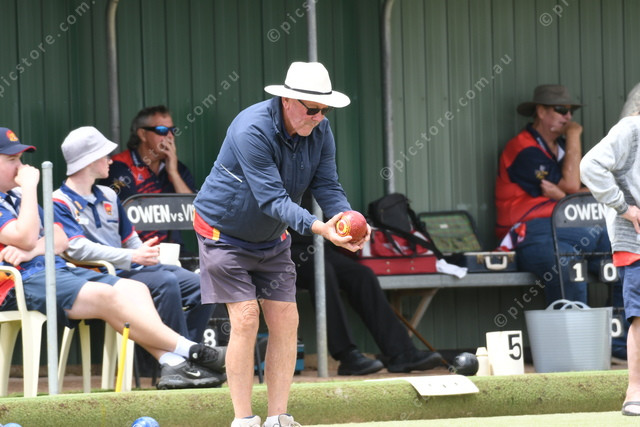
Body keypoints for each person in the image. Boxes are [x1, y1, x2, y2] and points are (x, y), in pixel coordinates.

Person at [194, 62, 365, 427]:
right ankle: (243, 419)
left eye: (325, 109)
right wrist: (320, 228)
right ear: (287, 100)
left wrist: (346, 219)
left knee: (286, 318)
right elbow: (272, 199)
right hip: (222, 234)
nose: (319, 117)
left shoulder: (320, 130)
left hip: (271, 237)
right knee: (246, 318)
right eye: (312, 108)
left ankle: (278, 418)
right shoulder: (251, 129)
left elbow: (327, 185)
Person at [0, 127, 223, 390]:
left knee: (137, 289)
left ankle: (173, 362)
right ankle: (192, 350)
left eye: (21, 159)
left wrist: (32, 250)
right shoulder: (29, 194)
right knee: (118, 294)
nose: (22, 167)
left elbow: (59, 239)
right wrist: (30, 189)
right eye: (12, 160)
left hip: (57, 269)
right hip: (22, 281)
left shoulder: (18, 196)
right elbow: (30, 237)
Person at [52, 126, 215, 356]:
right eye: (105, 155)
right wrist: (133, 256)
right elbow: (77, 249)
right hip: (101, 277)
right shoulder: (58, 200)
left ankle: (186, 356)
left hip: (132, 269)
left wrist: (145, 254)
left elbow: (129, 238)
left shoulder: (109, 194)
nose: (110, 161)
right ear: (89, 161)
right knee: (166, 282)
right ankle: (182, 359)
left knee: (205, 285)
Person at [291, 191, 442, 375]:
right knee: (322, 272)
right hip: (286, 250)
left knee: (362, 275)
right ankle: (347, 356)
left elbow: (331, 194)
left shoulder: (315, 173)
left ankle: (402, 353)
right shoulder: (275, 174)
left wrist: (354, 224)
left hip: (319, 246)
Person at [495, 84, 614, 304]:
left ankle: (623, 328)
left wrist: (563, 197)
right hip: (532, 232)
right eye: (561, 110)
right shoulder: (522, 148)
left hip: (577, 227)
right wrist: (574, 134)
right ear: (541, 111)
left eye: (571, 111)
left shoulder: (561, 148)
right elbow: (573, 185)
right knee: (568, 267)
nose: (568, 117)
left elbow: (594, 189)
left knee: (629, 257)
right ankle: (576, 327)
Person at [580, 82, 640, 416]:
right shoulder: (631, 129)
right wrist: (624, 207)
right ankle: (635, 392)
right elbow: (590, 166)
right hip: (636, 241)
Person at [103, 105, 195, 245]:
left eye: (173, 130)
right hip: (135, 251)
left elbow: (194, 212)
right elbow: (127, 213)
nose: (170, 136)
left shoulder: (177, 168)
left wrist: (173, 173)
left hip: (174, 250)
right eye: (162, 130)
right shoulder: (120, 165)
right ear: (142, 134)